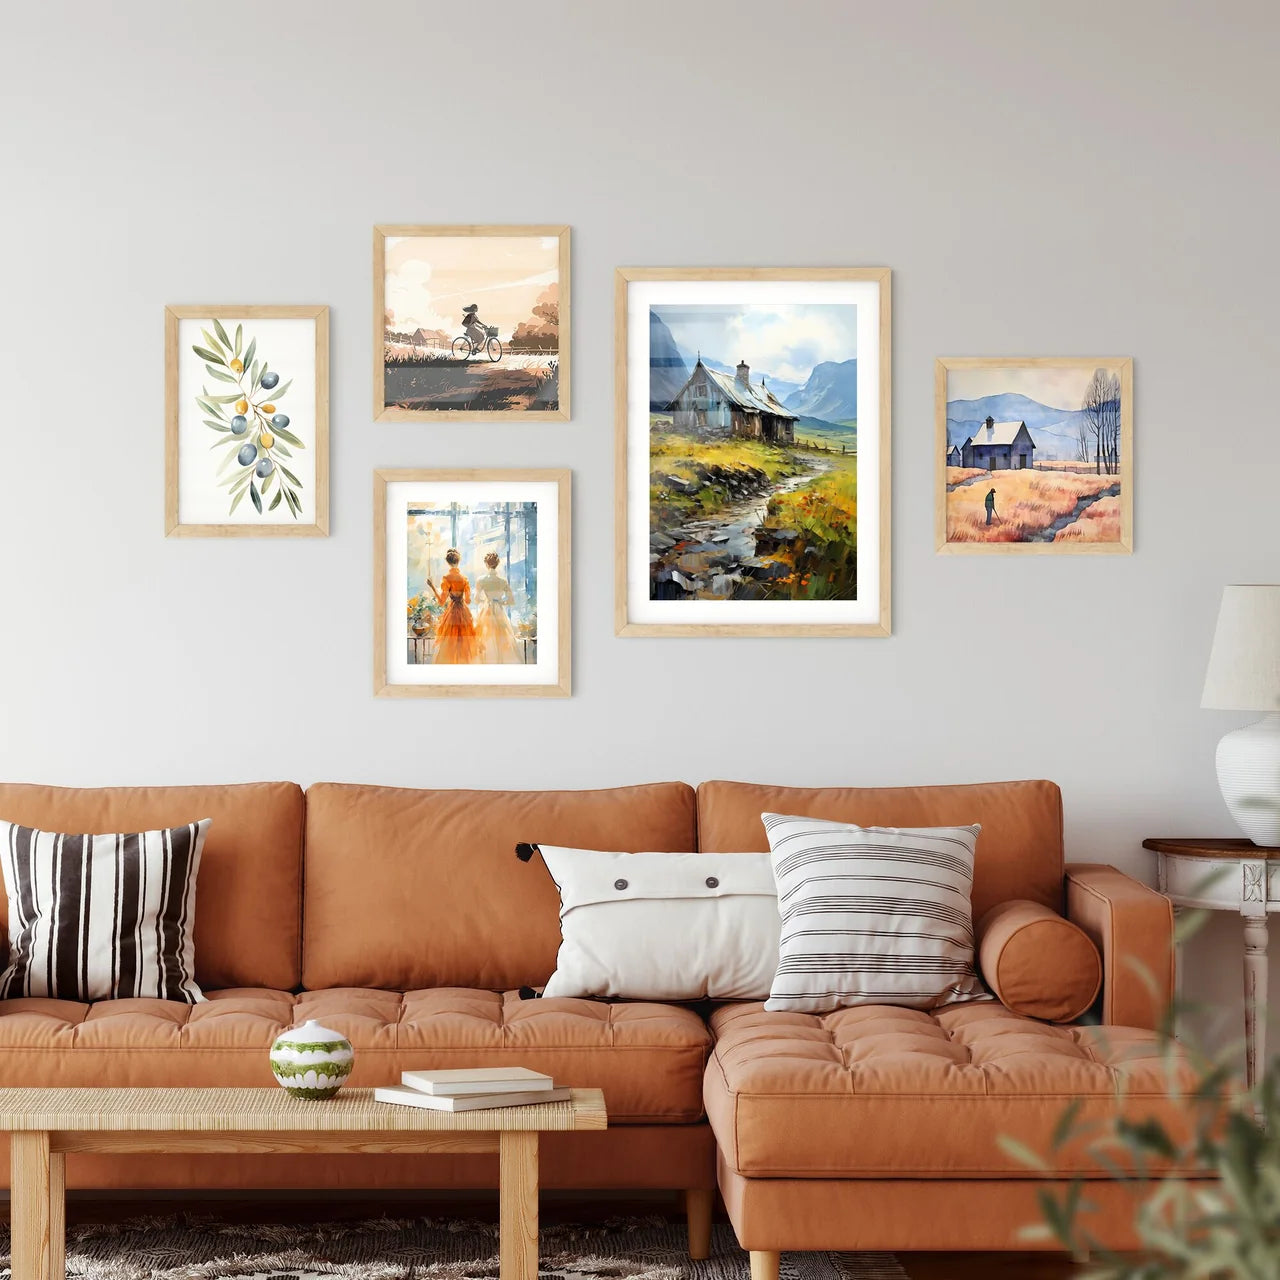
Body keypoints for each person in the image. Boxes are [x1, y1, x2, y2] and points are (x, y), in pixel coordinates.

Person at [426, 549, 476, 664]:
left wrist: (432, 587)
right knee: (463, 645)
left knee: (449, 645)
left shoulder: (446, 578)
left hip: (452, 613)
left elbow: (441, 602)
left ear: (448, 562)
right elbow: (468, 601)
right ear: (458, 561)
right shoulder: (464, 579)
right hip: (464, 613)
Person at [474, 553, 521, 664]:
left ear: (486, 564)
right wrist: (500, 602)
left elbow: (476, 599)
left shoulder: (481, 580)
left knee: (485, 638)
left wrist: (486, 601)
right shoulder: (503, 581)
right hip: (499, 610)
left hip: (486, 610)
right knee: (501, 637)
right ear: (497, 564)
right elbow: (511, 600)